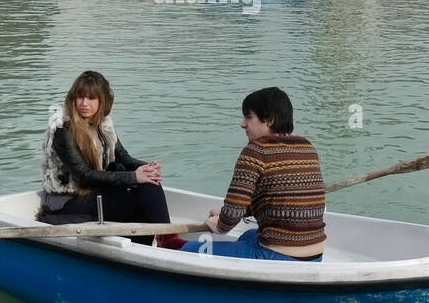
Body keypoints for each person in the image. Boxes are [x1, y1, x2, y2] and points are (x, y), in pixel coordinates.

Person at [39, 71, 184, 249]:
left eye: (91, 98)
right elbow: (84, 176)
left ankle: (161, 242)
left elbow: (123, 156)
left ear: (102, 101)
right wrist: (134, 177)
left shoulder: (103, 124)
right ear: (73, 98)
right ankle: (162, 243)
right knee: (138, 200)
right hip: (66, 201)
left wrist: (147, 168)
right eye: (80, 97)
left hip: (93, 192)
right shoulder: (64, 129)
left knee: (148, 183)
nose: (84, 103)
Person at [182, 87, 325, 261]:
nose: (243, 124)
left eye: (248, 117)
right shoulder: (307, 147)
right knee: (249, 235)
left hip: (279, 255)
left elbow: (230, 218)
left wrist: (218, 224)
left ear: (269, 121)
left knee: (189, 249)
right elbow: (270, 198)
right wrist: (225, 211)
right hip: (316, 254)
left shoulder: (256, 151)